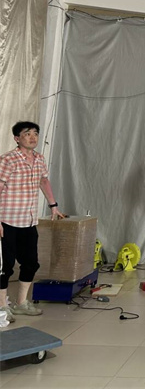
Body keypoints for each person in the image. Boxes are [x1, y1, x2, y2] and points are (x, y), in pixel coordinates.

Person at [0, 121, 65, 322]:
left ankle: (21, 303)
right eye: (27, 133)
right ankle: (2, 307)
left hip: (28, 221)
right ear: (17, 138)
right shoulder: (8, 160)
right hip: (7, 221)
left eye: (35, 133)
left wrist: (53, 205)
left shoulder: (39, 158)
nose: (32, 137)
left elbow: (43, 181)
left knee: (31, 263)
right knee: (5, 266)